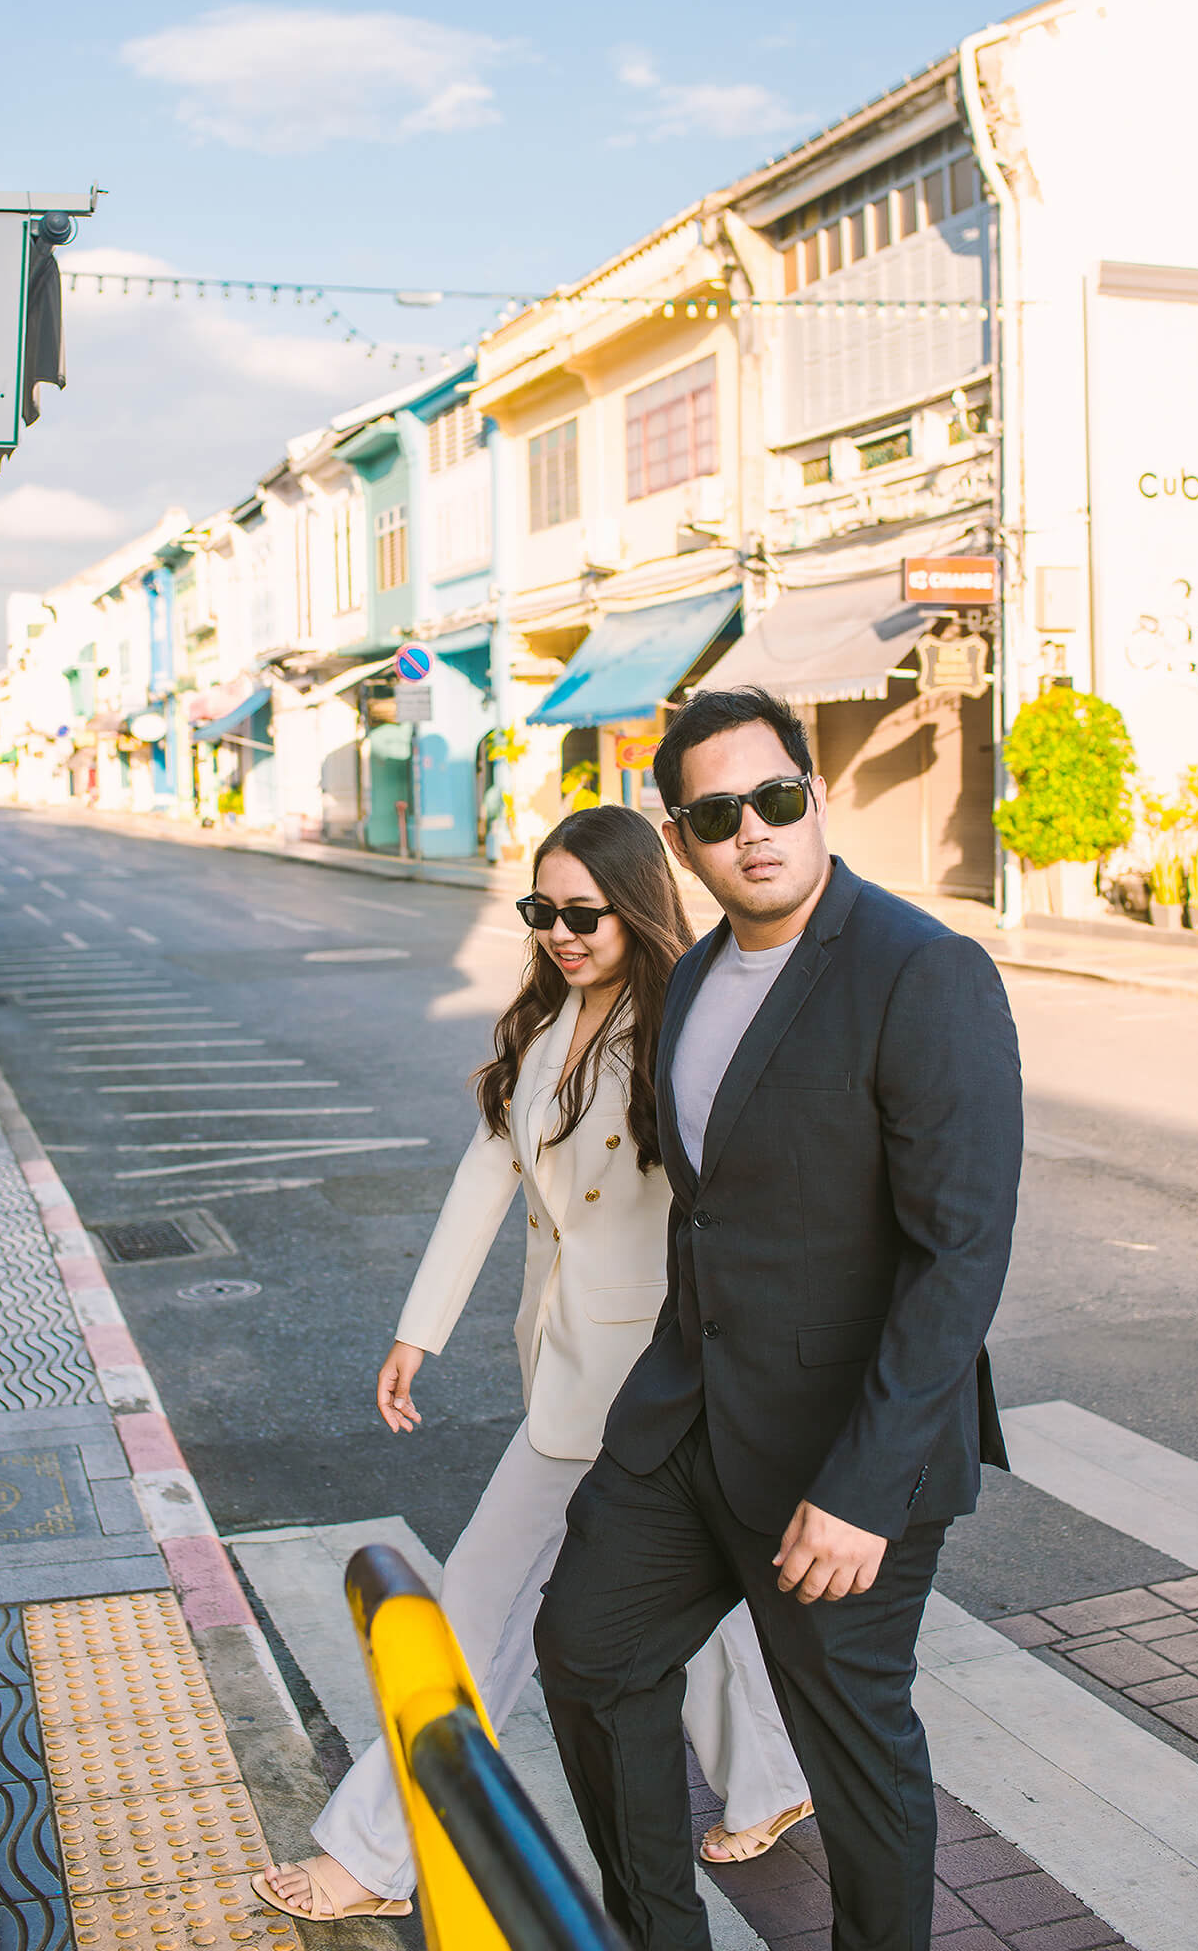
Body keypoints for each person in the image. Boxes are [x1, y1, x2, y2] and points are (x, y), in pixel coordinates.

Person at [253, 804, 810, 1925]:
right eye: (540, 911)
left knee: (476, 1605)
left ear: (636, 904)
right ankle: (771, 1777)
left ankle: (376, 1849)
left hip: (646, 1383)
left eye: (582, 913)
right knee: (674, 1601)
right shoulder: (547, 1020)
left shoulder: (683, 1026)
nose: (558, 932)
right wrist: (420, 1329)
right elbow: (485, 1171)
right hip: (567, 1362)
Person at [533, 689, 1024, 1951]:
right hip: (688, 1422)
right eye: (714, 813)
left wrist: (864, 1486)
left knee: (851, 1750)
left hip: (839, 1449)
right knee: (586, 1654)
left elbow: (956, 1253)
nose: (751, 831)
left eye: (774, 799)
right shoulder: (694, 977)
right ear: (681, 838)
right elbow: (706, 1213)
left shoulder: (922, 970)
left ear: (815, 796)